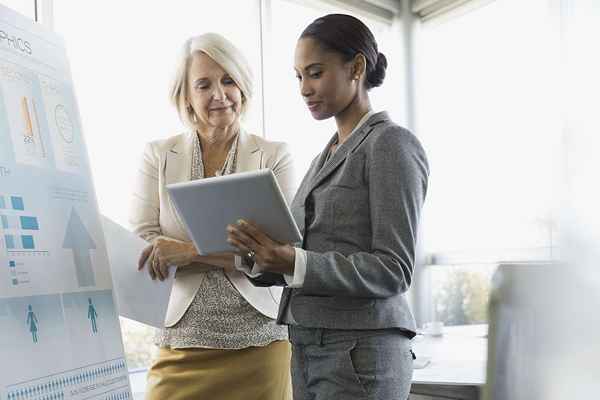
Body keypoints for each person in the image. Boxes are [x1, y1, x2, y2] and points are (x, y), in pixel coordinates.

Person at [227, 14, 429, 400]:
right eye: (299, 76)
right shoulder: (325, 156)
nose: (304, 88)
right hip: (307, 346)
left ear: (356, 68)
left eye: (315, 73)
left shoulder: (389, 144)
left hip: (360, 351)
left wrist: (294, 262)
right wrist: (260, 255)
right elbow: (307, 252)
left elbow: (394, 268)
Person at [129, 33, 294, 400]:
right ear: (186, 95)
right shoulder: (157, 155)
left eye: (228, 80)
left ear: (243, 87)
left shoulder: (274, 156)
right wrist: (235, 255)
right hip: (179, 343)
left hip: (260, 343)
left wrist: (187, 253)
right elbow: (144, 245)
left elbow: (277, 255)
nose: (219, 94)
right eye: (203, 84)